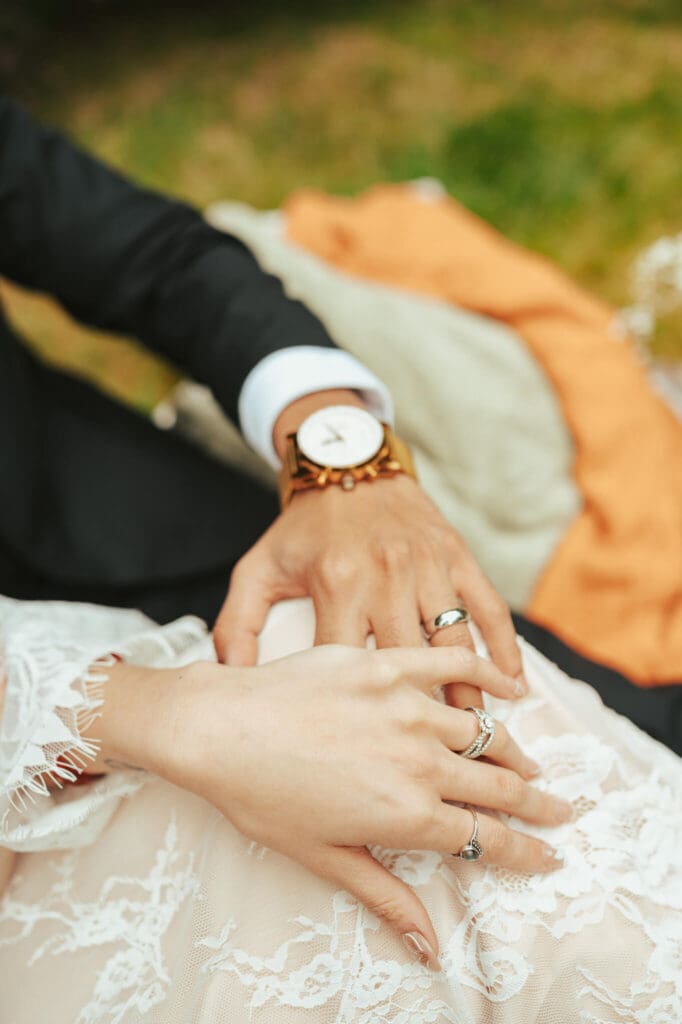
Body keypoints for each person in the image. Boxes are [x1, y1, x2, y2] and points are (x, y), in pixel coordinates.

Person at [0, 98, 680, 1021]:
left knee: (559, 747)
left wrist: (342, 454)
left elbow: (152, 257)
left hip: (143, 535)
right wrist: (151, 716)